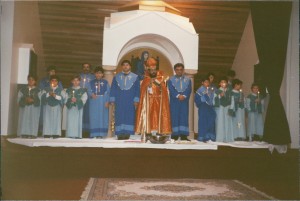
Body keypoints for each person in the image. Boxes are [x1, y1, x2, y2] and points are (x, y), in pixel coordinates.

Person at [135, 57, 172, 138]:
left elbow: (164, 90)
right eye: (151, 69)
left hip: (159, 101)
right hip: (149, 101)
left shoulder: (161, 78)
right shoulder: (146, 79)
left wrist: (158, 84)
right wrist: (148, 85)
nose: (152, 70)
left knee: (159, 116)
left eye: (154, 69)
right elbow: (143, 91)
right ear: (148, 70)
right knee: (149, 116)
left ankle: (160, 131)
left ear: (156, 69)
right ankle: (148, 132)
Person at [110, 60, 140, 140]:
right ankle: (119, 133)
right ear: (122, 67)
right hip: (119, 99)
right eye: (124, 65)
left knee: (129, 115)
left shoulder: (135, 77)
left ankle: (128, 133)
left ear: (130, 66)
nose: (125, 66)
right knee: (119, 115)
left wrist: (136, 99)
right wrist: (112, 99)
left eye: (127, 65)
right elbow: (113, 88)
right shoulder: (116, 77)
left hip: (130, 99)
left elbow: (137, 89)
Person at [167, 63, 191, 141]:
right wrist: (178, 96)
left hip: (184, 101)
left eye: (181, 70)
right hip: (175, 102)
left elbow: (189, 89)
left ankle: (184, 135)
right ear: (175, 70)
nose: (179, 71)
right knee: (174, 117)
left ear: (183, 70)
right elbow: (171, 89)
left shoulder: (188, 80)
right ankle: (175, 135)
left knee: (184, 117)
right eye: (177, 70)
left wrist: (184, 96)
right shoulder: (170, 80)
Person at [38, 65, 63, 135]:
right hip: (47, 101)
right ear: (48, 72)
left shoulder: (58, 81)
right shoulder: (43, 80)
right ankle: (44, 131)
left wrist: (55, 93)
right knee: (45, 117)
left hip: (55, 101)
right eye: (51, 71)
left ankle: (55, 133)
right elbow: (41, 90)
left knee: (55, 117)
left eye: (54, 71)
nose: (52, 72)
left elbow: (60, 90)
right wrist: (48, 92)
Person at [88, 66, 110, 138]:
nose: (98, 75)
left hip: (103, 102)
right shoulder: (91, 82)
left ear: (102, 74)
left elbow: (108, 92)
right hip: (94, 102)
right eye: (97, 73)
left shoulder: (105, 82)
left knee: (103, 117)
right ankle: (94, 134)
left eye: (100, 73)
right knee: (94, 117)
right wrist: (91, 94)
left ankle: (101, 134)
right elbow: (88, 90)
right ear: (94, 74)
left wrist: (107, 101)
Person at [194, 76, 216, 142]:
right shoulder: (199, 90)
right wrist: (203, 98)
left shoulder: (211, 90)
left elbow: (213, 99)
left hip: (210, 108)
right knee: (203, 122)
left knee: (211, 121)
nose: (207, 83)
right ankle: (202, 136)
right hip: (203, 108)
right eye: (206, 82)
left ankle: (209, 136)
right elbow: (197, 100)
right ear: (202, 82)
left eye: (208, 82)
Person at [214, 76, 234, 142]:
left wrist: (231, 108)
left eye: (224, 82)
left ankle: (228, 138)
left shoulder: (230, 91)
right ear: (219, 84)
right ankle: (220, 138)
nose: (223, 83)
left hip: (227, 108)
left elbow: (232, 100)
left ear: (227, 83)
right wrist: (220, 96)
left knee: (228, 122)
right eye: (222, 82)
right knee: (220, 123)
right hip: (220, 108)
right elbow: (214, 100)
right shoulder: (217, 91)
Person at [80, 63, 95, 134]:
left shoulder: (93, 77)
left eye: (87, 67)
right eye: (84, 67)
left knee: (88, 113)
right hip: (80, 97)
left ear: (90, 68)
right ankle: (81, 130)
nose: (86, 68)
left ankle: (89, 130)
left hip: (89, 98)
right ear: (82, 68)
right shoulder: (79, 76)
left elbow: (95, 87)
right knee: (81, 113)